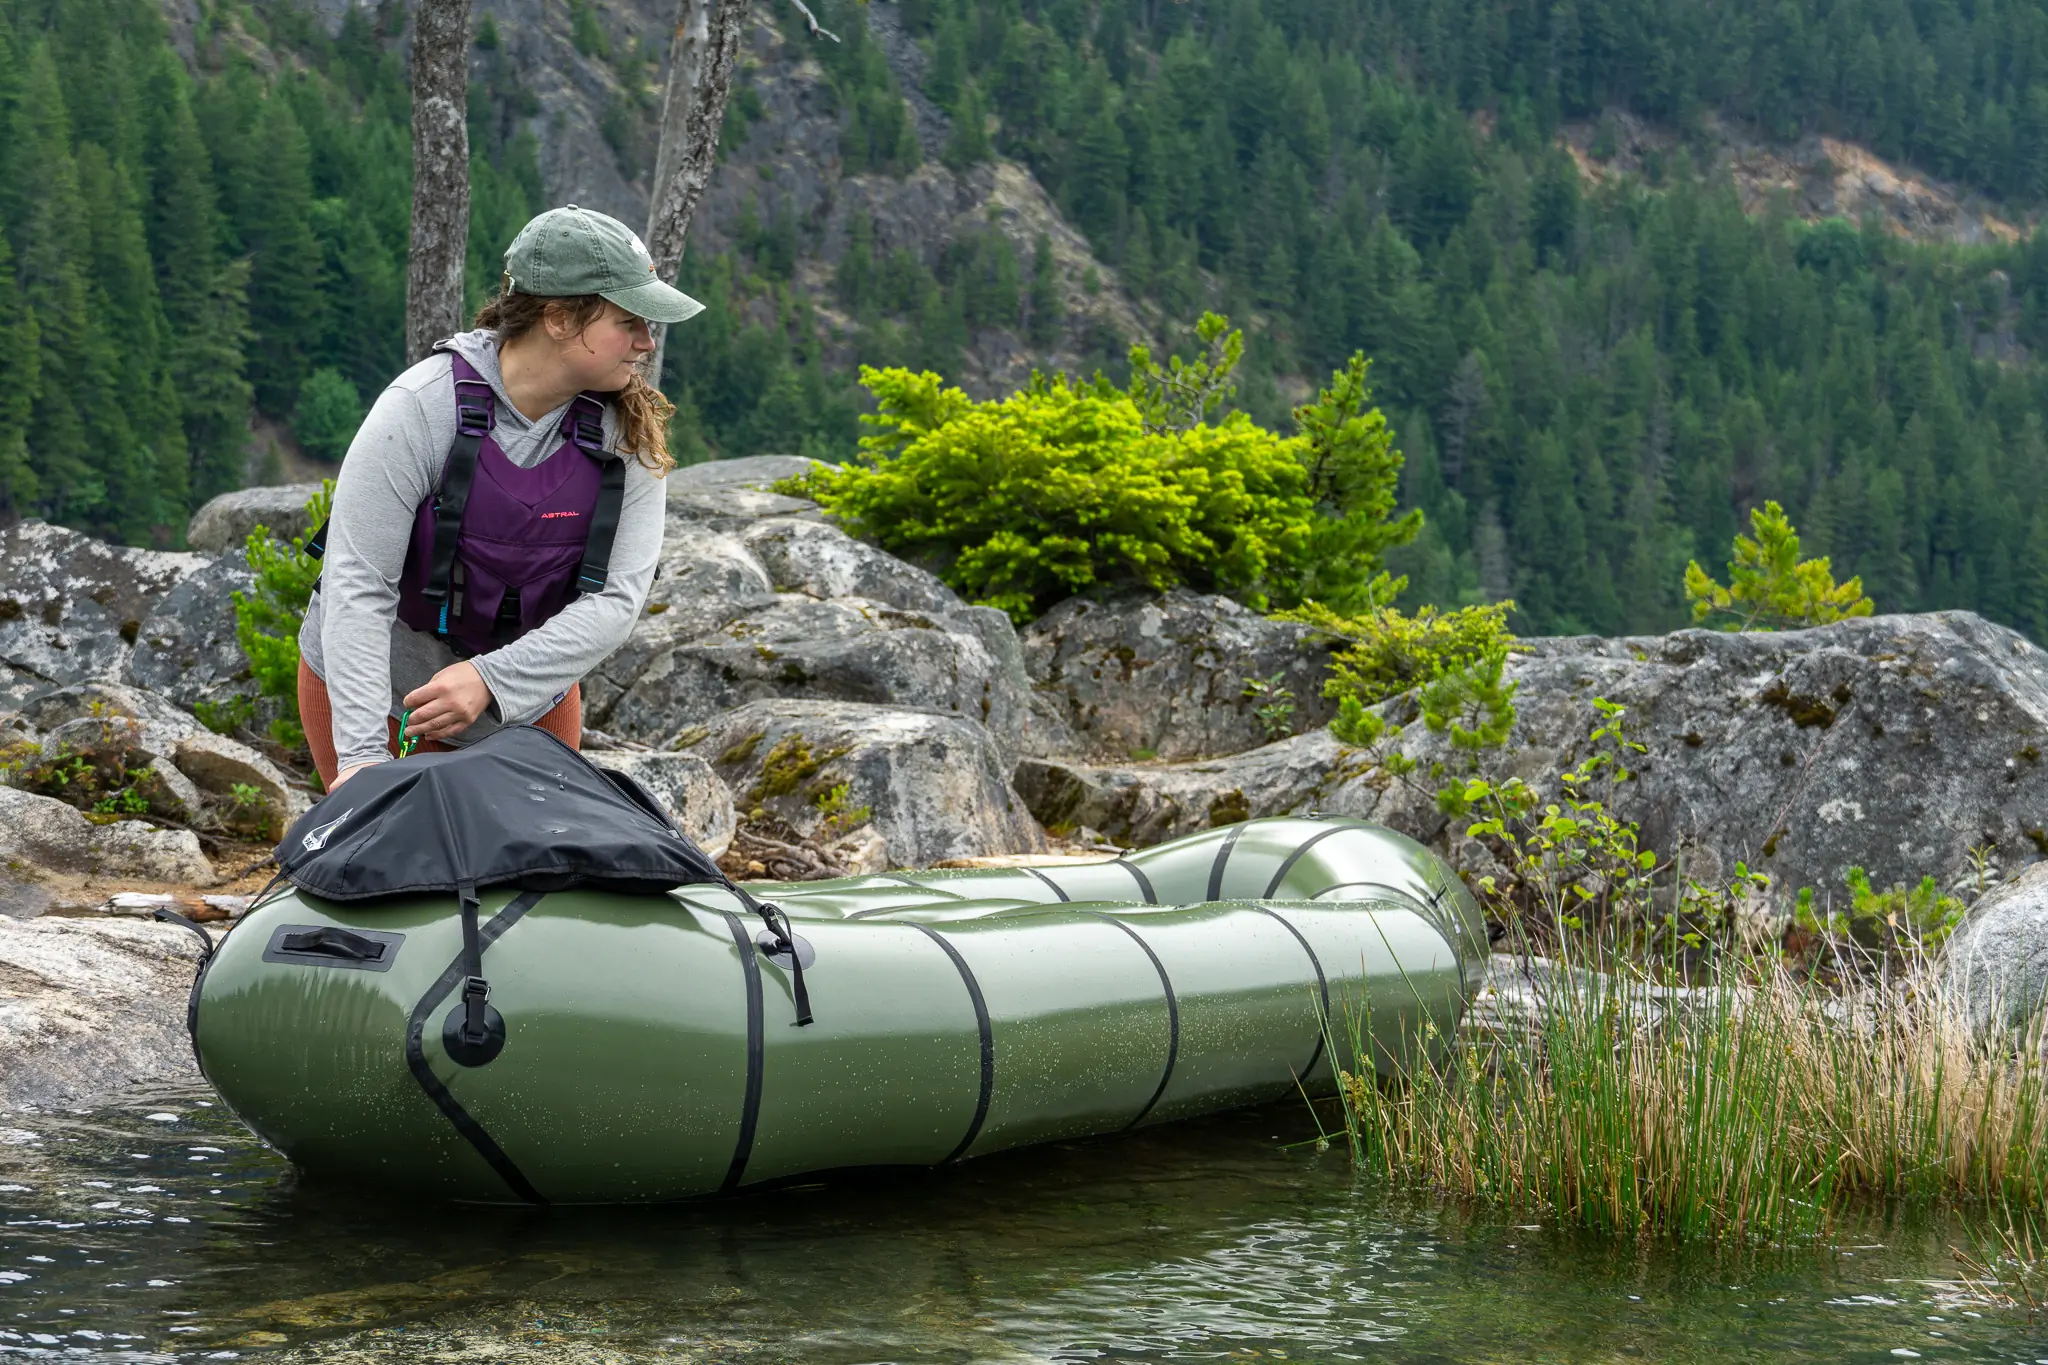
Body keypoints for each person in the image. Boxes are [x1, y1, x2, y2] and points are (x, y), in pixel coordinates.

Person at [299, 205, 702, 792]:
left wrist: (491, 680)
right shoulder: (420, 408)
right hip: (379, 695)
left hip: (527, 701)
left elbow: (617, 601)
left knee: (529, 876)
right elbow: (357, 586)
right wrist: (361, 760)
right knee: (391, 874)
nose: (647, 341)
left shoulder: (629, 433)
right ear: (560, 319)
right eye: (629, 320)